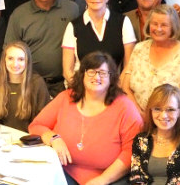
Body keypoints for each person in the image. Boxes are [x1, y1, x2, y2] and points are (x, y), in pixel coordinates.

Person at [29, 52, 142, 185]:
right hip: (63, 173)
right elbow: (36, 125)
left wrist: (102, 180)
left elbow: (132, 151)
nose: (97, 77)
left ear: (111, 77)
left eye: (103, 73)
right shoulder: (66, 97)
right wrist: (54, 138)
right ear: (82, 74)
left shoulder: (125, 107)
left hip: (109, 179)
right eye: (91, 72)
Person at [5, 0, 80, 95]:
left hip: (63, 85)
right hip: (29, 85)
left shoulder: (72, 10)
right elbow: (9, 51)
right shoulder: (19, 14)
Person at [122, 5, 180, 123]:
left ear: (173, 27)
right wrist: (140, 115)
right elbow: (125, 87)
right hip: (139, 120)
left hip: (174, 123)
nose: (158, 29)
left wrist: (162, 118)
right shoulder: (139, 48)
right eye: (154, 24)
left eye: (164, 25)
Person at [62, 0, 136, 86]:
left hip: (114, 89)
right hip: (81, 89)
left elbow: (129, 66)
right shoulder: (73, 26)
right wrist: (82, 91)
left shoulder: (123, 22)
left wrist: (115, 89)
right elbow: (67, 71)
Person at [0, 42, 51, 132]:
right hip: (1, 138)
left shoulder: (37, 83)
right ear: (4, 60)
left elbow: (43, 120)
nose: (15, 64)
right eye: (10, 58)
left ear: (27, 61)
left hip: (29, 140)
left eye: (21, 59)